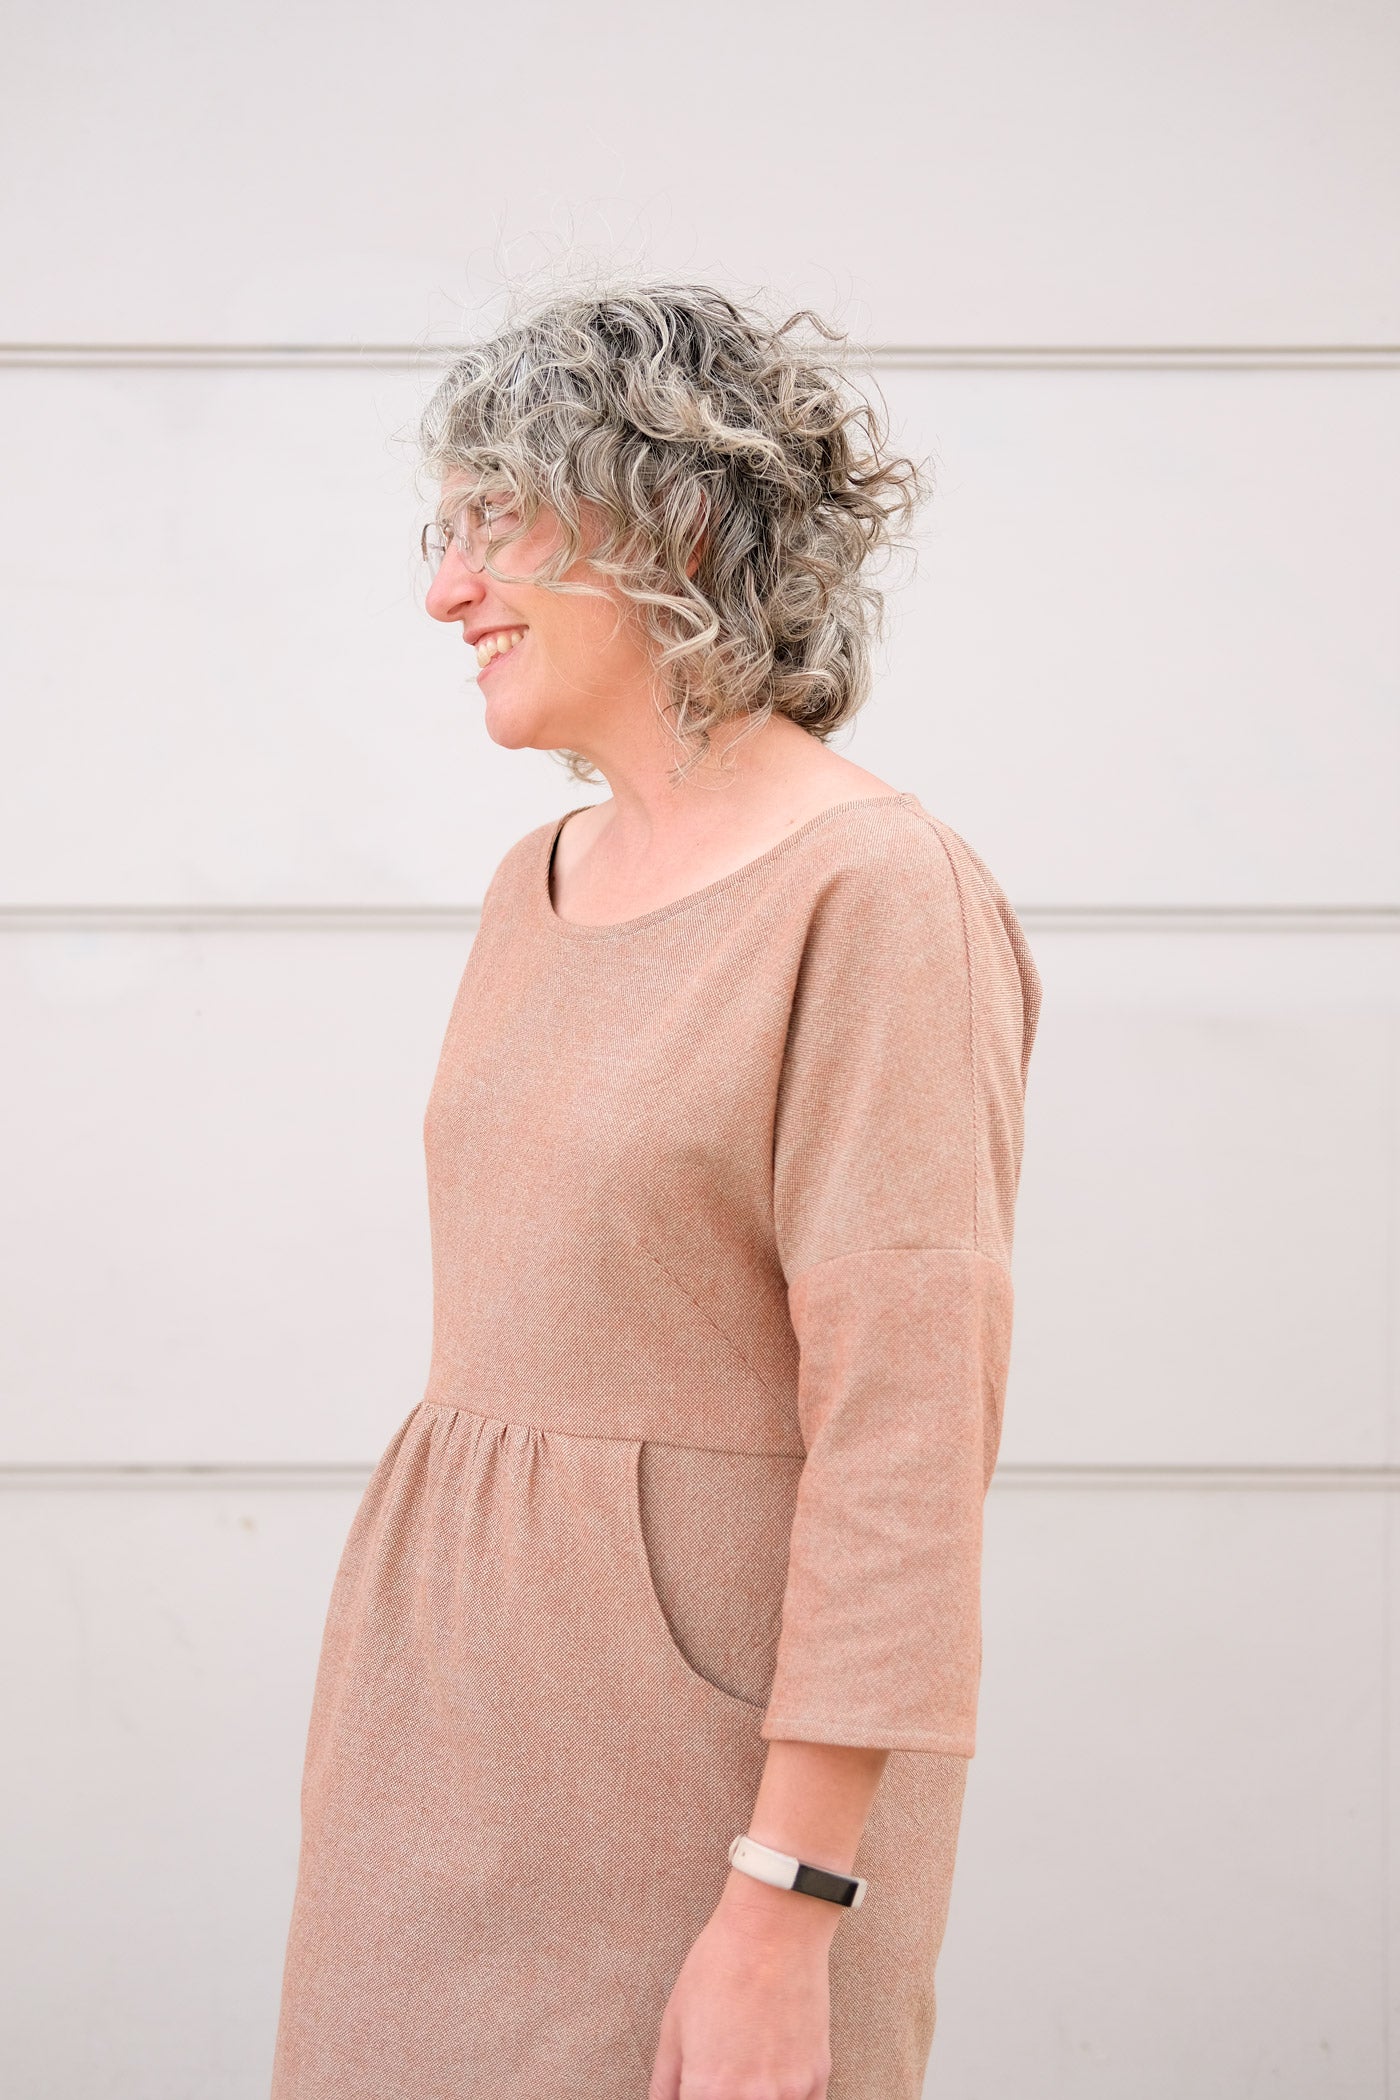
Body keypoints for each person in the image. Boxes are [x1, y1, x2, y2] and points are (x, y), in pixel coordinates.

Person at [270, 278, 1041, 2100]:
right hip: (433, 1722)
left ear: (673, 525)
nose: (444, 590)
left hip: (698, 1793)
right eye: (441, 528)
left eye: (495, 522)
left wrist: (788, 1894)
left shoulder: (876, 897)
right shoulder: (532, 879)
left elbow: (906, 1442)